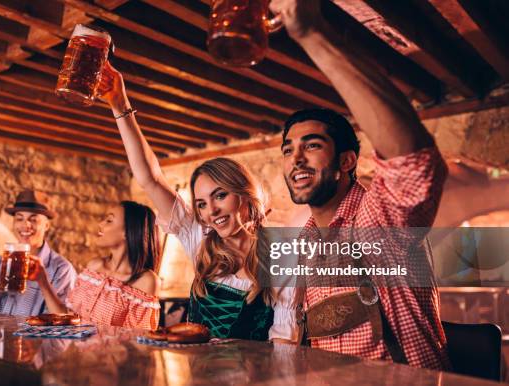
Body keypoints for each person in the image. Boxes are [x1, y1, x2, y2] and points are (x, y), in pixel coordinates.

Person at [270, 0, 450, 369]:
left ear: (347, 162)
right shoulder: (306, 241)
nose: (296, 159)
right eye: (288, 150)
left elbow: (414, 162)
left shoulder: (373, 221)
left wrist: (311, 32)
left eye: (312, 145)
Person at [97, 65, 299, 343]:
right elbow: (150, 178)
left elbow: (284, 341)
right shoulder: (200, 238)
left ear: (244, 194)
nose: (210, 212)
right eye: (201, 203)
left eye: (220, 196)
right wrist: (120, 103)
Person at [36, 201, 162, 330]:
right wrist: (42, 281)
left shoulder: (146, 281)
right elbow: (67, 319)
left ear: (128, 231)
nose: (100, 224)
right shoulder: (94, 268)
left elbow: (138, 342)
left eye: (109, 221)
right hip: (72, 349)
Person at [0, 190, 76, 316]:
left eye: (33, 219)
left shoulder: (62, 269)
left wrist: (43, 282)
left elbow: (63, 320)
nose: (25, 225)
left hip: (29, 336)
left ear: (46, 225)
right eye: (19, 218)